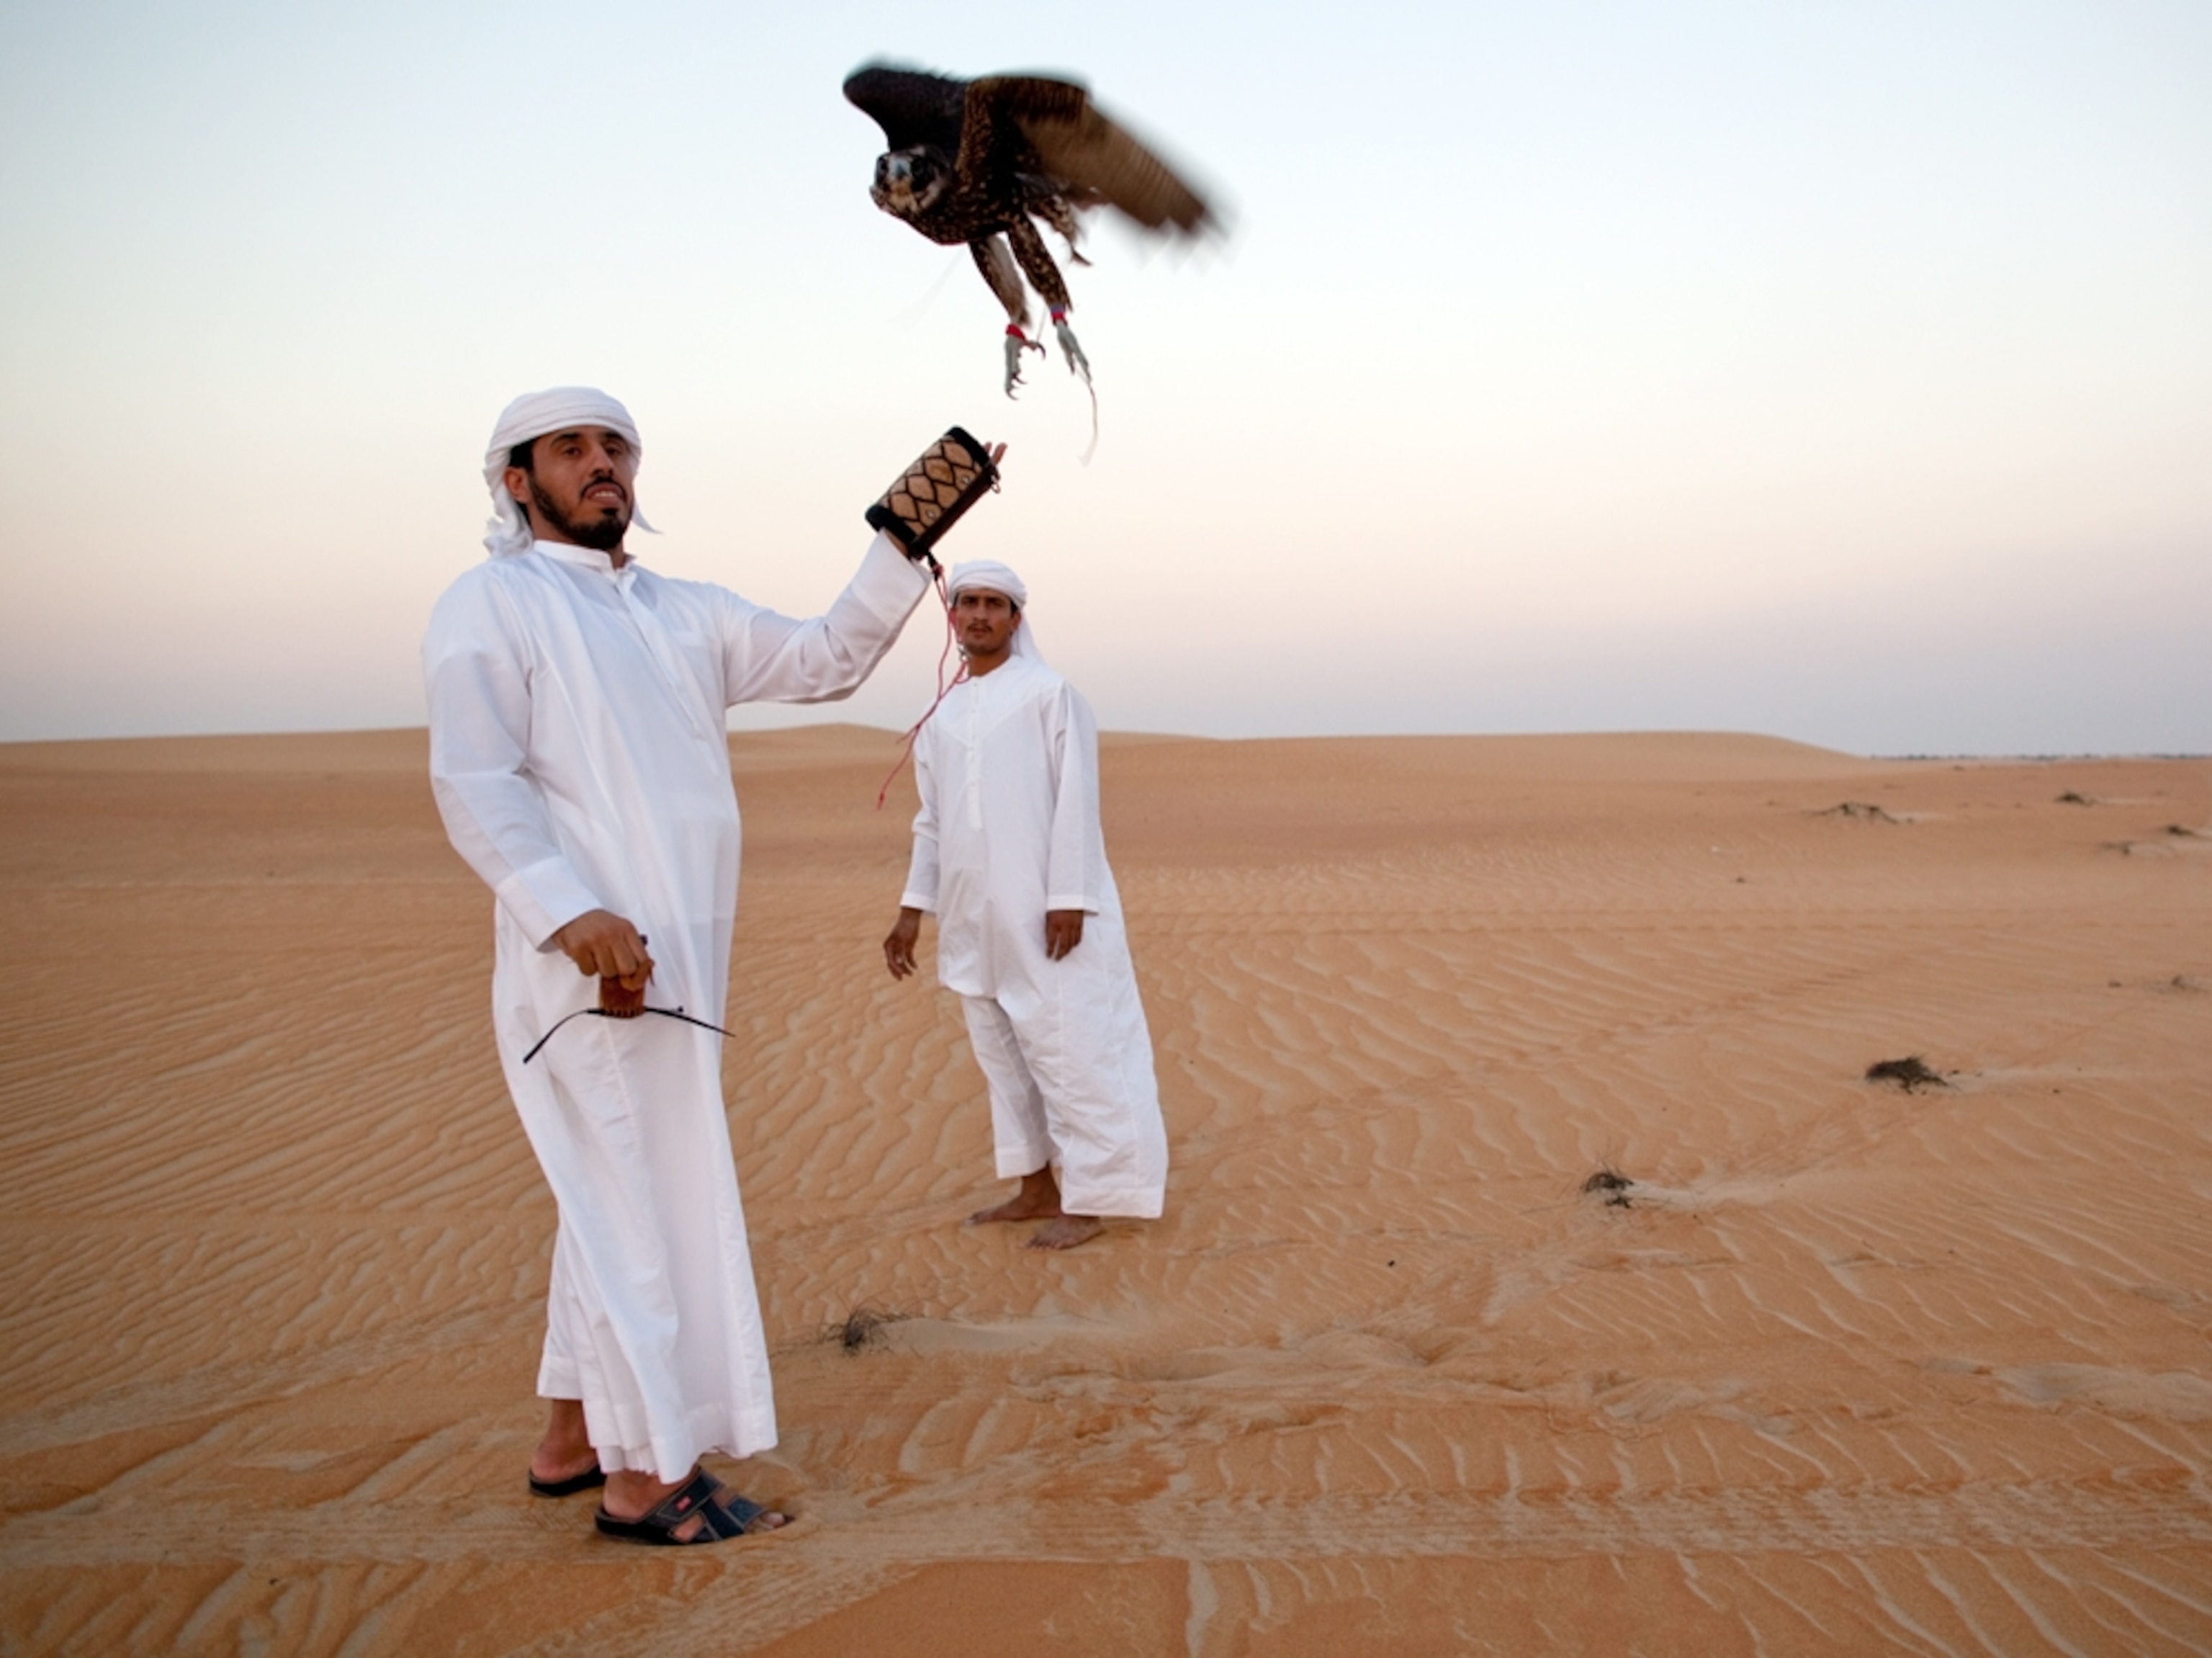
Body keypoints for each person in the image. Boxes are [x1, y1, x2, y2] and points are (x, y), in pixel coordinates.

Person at [423, 387, 982, 1544]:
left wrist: (901, 535)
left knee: (618, 1191)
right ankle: (645, 1482)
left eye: (616, 445)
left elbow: (827, 660)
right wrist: (569, 910)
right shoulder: (492, 603)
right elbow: (475, 780)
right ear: (516, 480)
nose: (602, 464)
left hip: (685, 955)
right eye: (570, 449)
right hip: (587, 965)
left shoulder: (685, 612)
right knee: (642, 1195)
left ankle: (571, 1442)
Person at [881, 560, 1169, 1250]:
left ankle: (1092, 1197)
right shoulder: (941, 717)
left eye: (994, 604)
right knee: (1004, 1057)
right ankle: (1035, 1186)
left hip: (1048, 915)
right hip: (972, 919)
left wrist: (1068, 896)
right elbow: (932, 821)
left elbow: (1077, 800)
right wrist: (912, 909)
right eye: (967, 603)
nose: (979, 615)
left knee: (1071, 1051)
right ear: (952, 617)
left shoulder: (1049, 695)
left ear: (1016, 618)